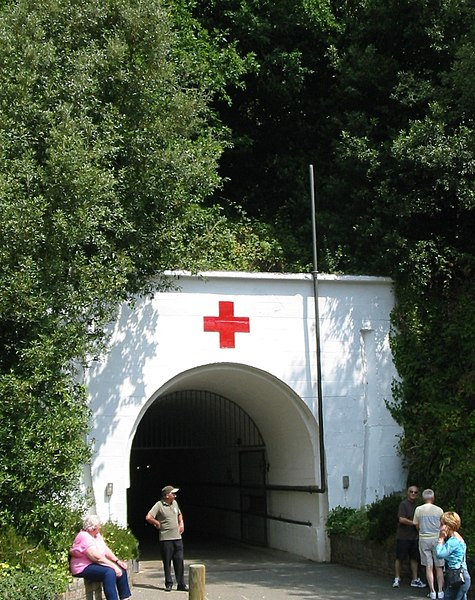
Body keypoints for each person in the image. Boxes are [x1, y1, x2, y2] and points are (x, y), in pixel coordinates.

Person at [69, 515, 132, 600]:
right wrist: (113, 566)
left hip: (94, 564)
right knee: (109, 572)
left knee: (121, 568)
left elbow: (105, 549)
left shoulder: (96, 535)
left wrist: (117, 561)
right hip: (83, 567)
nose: (100, 527)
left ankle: (125, 598)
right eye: (99, 526)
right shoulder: (83, 536)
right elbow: (96, 557)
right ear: (93, 528)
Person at [146, 485, 188, 592]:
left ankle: (181, 583)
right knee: (167, 562)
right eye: (173, 493)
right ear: (167, 495)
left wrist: (181, 523)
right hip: (166, 538)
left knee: (179, 560)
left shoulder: (175, 503)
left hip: (177, 537)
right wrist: (157, 523)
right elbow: (148, 517)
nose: (175, 495)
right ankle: (169, 583)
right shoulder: (159, 505)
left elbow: (179, 514)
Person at [392, 486, 426, 589]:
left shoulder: (418, 506)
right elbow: (401, 519)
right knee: (399, 558)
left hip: (414, 537)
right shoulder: (403, 504)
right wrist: (414, 523)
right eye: (411, 492)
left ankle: (415, 579)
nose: (413, 493)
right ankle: (397, 578)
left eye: (415, 492)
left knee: (414, 558)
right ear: (408, 493)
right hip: (403, 536)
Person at [413, 489, 444, 599]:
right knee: (439, 566)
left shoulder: (419, 510)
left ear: (423, 498)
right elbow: (442, 525)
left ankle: (432, 591)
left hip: (424, 539)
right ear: (433, 497)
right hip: (436, 539)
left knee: (428, 566)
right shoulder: (439, 510)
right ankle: (440, 591)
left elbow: (416, 525)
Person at [436, 511, 471, 600]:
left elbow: (439, 554)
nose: (440, 527)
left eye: (442, 525)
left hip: (457, 577)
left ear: (448, 526)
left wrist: (440, 539)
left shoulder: (453, 541)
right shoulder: (457, 538)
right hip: (461, 576)